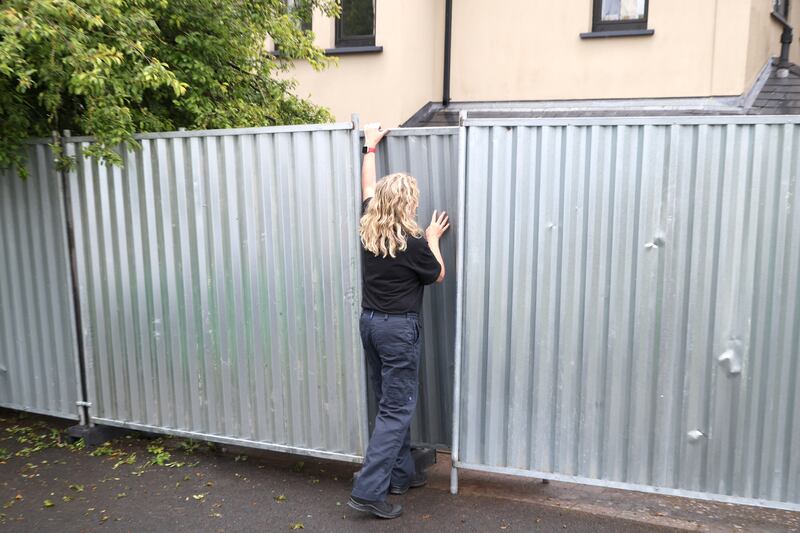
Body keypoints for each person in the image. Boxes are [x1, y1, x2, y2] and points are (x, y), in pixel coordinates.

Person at [347, 123, 450, 519]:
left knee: (390, 403)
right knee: (396, 408)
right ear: (406, 203)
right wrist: (434, 239)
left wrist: (370, 147)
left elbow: (367, 190)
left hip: (371, 325)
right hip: (397, 331)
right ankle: (368, 490)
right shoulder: (414, 243)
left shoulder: (369, 227)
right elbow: (437, 275)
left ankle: (400, 475)